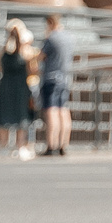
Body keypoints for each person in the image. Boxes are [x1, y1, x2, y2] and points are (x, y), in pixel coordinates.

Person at [0, 20, 36, 160]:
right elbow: (31, 70)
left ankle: (3, 146)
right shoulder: (26, 52)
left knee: (5, 117)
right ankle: (20, 146)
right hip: (20, 87)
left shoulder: (4, 51)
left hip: (7, 87)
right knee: (21, 117)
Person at [38, 13, 74, 157]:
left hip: (51, 78)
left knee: (52, 111)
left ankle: (51, 145)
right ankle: (63, 145)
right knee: (63, 111)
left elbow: (40, 56)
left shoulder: (51, 38)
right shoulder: (70, 38)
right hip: (65, 78)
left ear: (50, 23)